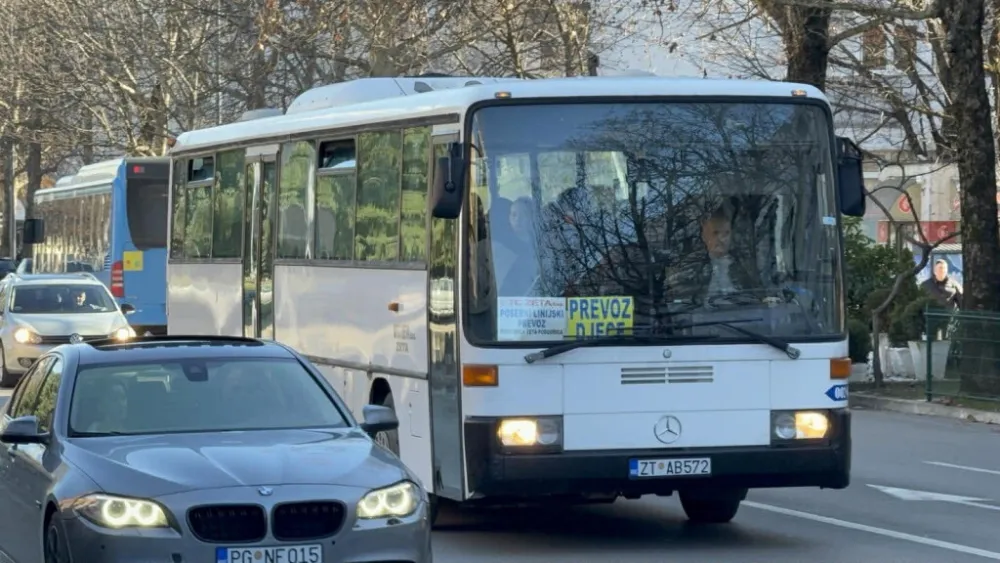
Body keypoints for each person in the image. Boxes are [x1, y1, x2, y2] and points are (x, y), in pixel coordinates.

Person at [666, 205, 760, 303]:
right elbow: (679, 303)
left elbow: (756, 298)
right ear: (704, 236)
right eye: (715, 233)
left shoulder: (743, 265)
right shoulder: (690, 265)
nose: (721, 239)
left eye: (726, 233)